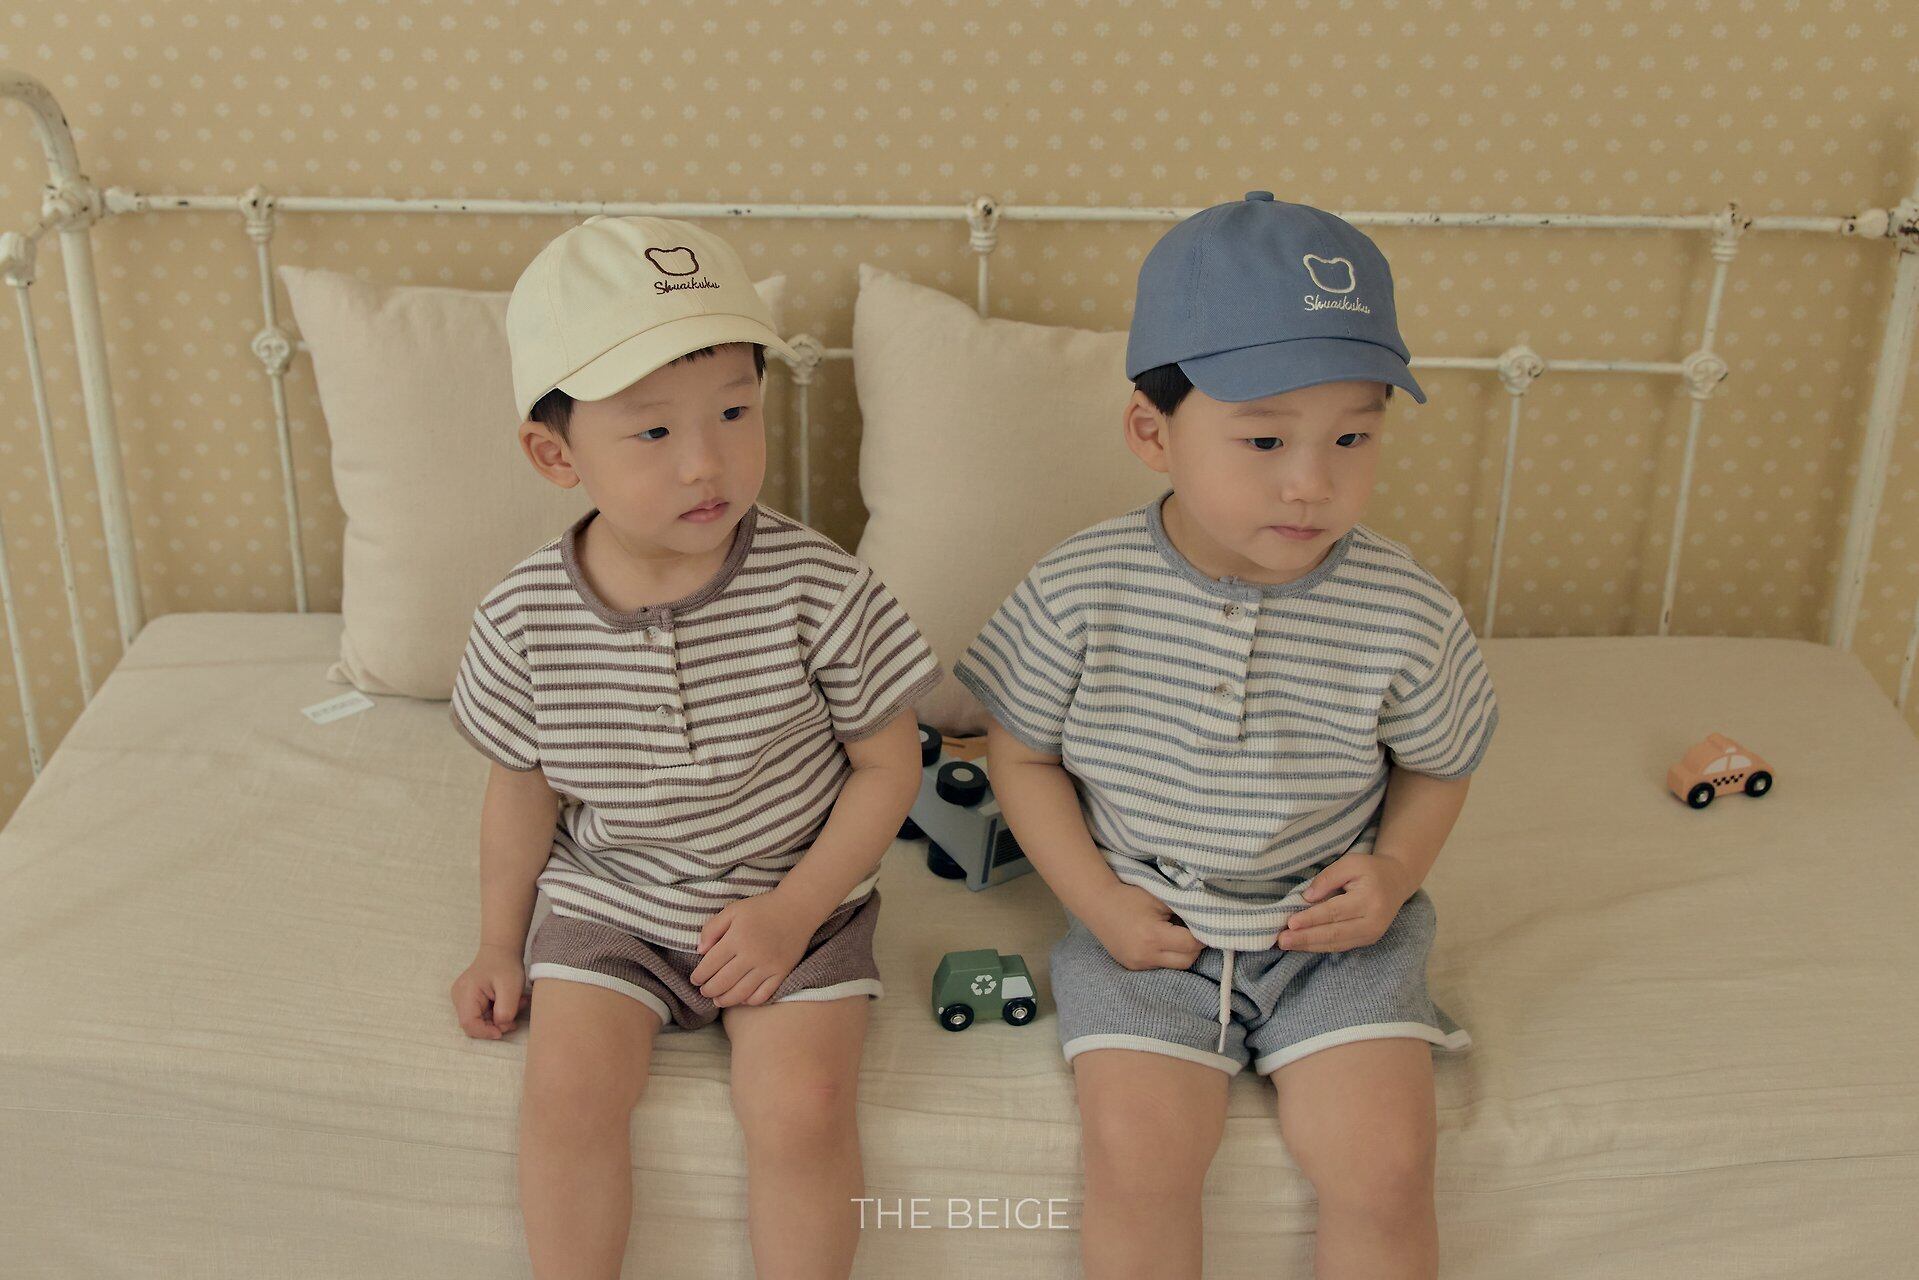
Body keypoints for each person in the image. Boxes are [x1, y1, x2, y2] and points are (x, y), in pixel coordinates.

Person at [952, 192, 1501, 1280]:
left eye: (1352, 436)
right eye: (1263, 438)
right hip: (1147, 928)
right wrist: (1097, 902)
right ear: (1151, 432)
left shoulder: (1403, 609)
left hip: (1332, 940)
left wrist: (1393, 871)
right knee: (1138, 1159)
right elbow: (1020, 753)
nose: (1312, 481)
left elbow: (1439, 764)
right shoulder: (1081, 587)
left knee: (1385, 1164)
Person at [446, 214, 941, 1279]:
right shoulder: (522, 619)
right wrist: (496, 943)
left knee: (804, 1105)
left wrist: (793, 911)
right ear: (555, 453)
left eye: (733, 411)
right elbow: (520, 795)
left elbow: (887, 764)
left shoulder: (820, 588)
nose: (706, 461)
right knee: (567, 1094)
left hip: (798, 898)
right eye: (653, 432)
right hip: (613, 899)